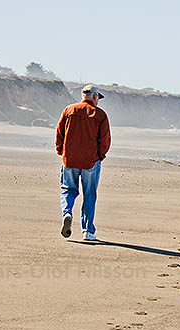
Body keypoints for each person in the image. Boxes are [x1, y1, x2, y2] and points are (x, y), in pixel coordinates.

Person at [56, 84, 111, 241]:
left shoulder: (69, 110)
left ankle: (67, 213)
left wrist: (61, 151)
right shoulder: (100, 115)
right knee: (89, 195)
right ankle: (88, 231)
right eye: (98, 98)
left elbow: (59, 132)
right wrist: (100, 156)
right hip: (91, 162)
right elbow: (105, 140)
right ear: (94, 97)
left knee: (68, 190)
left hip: (70, 159)